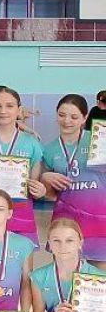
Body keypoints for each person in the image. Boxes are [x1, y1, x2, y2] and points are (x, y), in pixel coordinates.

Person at [41, 94, 106, 263]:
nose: (67, 121)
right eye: (62, 115)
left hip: (99, 220)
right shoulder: (49, 150)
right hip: (66, 223)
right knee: (65, 275)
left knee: (99, 277)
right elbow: (49, 195)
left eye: (74, 117)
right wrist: (45, 178)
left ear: (84, 118)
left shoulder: (98, 140)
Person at [0, 86, 45, 239]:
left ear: (19, 109)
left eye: (9, 106)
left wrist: (40, 190)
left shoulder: (32, 143)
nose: (3, 111)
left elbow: (34, 185)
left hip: (21, 217)